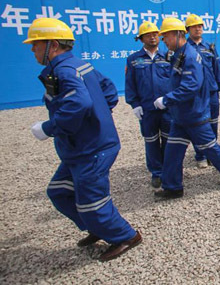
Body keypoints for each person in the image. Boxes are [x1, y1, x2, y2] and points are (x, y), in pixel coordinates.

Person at [26, 18, 142, 262]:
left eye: (36, 44)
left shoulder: (65, 70)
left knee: (92, 201)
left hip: (92, 149)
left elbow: (79, 102)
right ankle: (98, 228)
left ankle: (126, 236)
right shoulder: (78, 65)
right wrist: (97, 116)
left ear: (53, 45)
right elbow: (108, 90)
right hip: (79, 148)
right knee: (59, 192)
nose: (32, 49)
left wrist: (49, 127)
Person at [153, 17, 220, 199]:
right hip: (181, 115)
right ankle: (173, 187)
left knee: (209, 147)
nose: (164, 41)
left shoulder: (190, 56)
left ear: (178, 35)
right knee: (172, 152)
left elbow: (190, 86)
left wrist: (167, 99)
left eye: (166, 36)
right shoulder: (180, 54)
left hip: (194, 114)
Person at [125, 21, 172, 189]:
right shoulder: (134, 60)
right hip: (147, 109)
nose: (152, 37)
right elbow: (130, 84)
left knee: (169, 140)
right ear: (141, 38)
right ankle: (157, 173)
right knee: (151, 141)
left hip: (167, 108)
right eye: (148, 35)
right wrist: (134, 104)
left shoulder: (168, 56)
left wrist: (172, 100)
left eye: (155, 34)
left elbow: (175, 82)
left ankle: (169, 170)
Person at [185, 13, 220, 168]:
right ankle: (200, 154)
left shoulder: (209, 47)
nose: (198, 29)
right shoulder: (185, 48)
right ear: (187, 29)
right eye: (194, 26)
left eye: (200, 26)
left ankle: (212, 153)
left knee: (213, 122)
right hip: (195, 94)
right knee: (199, 124)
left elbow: (217, 67)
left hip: (211, 91)